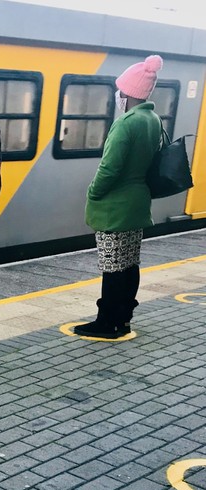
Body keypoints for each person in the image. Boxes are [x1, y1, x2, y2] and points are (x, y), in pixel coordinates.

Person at [74, 55, 164, 339]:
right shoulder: (152, 119)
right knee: (129, 263)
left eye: (120, 91)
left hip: (115, 206)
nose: (118, 95)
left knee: (112, 266)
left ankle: (106, 322)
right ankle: (123, 319)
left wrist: (93, 191)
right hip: (137, 203)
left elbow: (110, 168)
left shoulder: (126, 123)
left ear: (128, 94)